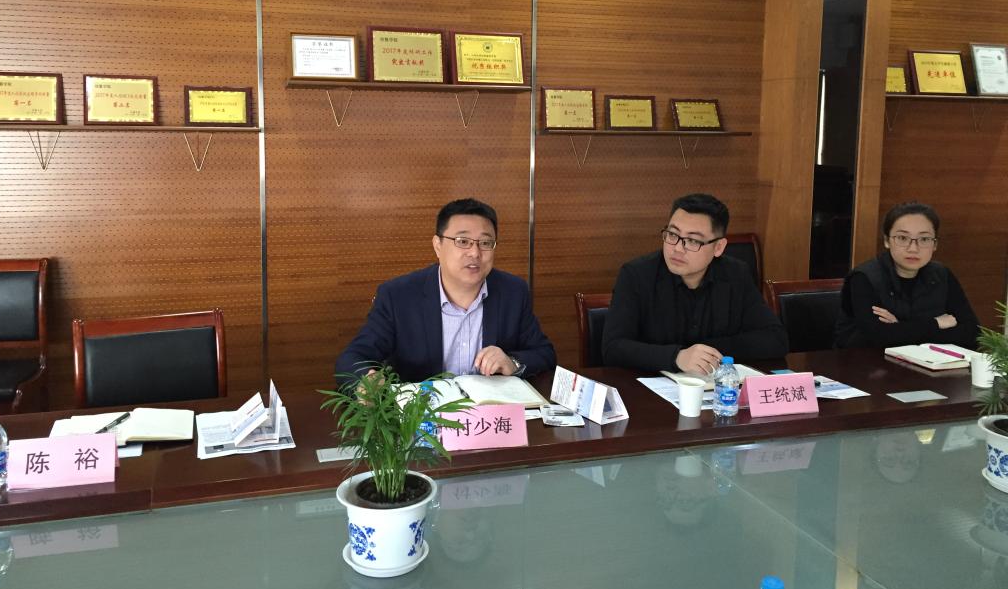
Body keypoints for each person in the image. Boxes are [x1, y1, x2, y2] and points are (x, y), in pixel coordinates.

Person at [335, 197, 556, 382]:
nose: (475, 253)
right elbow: (352, 359)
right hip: (423, 415)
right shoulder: (398, 296)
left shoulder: (513, 292)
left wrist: (512, 362)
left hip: (490, 415)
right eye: (463, 241)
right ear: (438, 245)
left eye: (485, 243)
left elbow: (544, 353)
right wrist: (367, 382)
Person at [602, 193, 787, 375]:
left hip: (714, 389)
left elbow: (775, 339)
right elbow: (613, 348)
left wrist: (704, 353)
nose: (677, 248)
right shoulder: (636, 275)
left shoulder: (736, 275)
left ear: (718, 247)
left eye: (692, 240)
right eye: (672, 234)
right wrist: (677, 357)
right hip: (649, 388)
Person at [833, 201, 979, 350]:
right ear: (887, 241)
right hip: (863, 361)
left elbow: (973, 333)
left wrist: (900, 328)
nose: (913, 248)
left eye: (924, 239)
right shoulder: (864, 277)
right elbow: (877, 337)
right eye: (903, 238)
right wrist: (936, 324)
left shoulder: (942, 274)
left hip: (927, 361)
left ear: (935, 244)